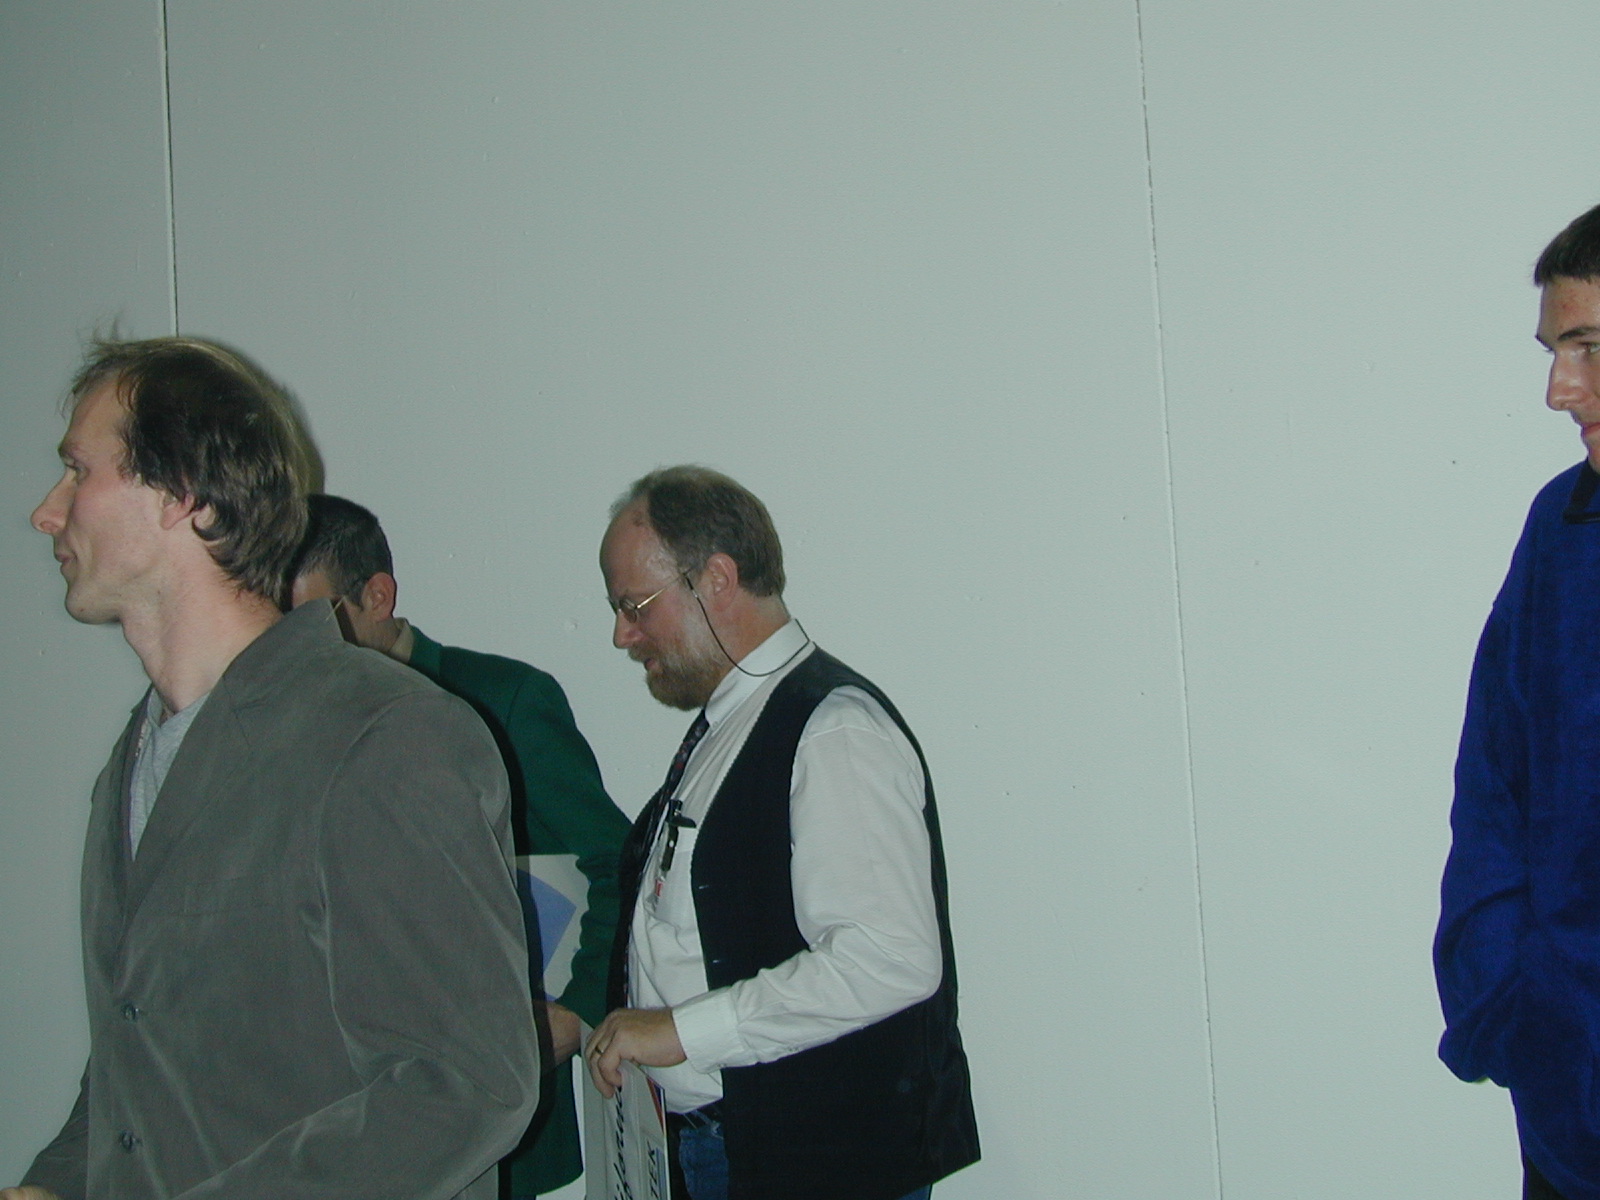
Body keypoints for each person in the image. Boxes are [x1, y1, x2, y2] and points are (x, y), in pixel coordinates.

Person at [7, 337, 538, 1200]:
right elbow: (139, 1058)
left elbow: (467, 1086)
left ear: (184, 494)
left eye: (77, 471)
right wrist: (57, 1185)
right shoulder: (130, 768)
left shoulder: (385, 735)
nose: (46, 512)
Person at [585, 465, 979, 1200]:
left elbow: (891, 959)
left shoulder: (832, 731)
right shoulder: (739, 720)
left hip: (817, 1164)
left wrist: (680, 1032)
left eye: (634, 605)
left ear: (717, 579)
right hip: (731, 1150)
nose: (621, 634)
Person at [289, 492, 631, 1197]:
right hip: (324, 1117)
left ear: (377, 597)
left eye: (312, 621)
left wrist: (573, 1014)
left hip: (482, 1115)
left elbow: (619, 866)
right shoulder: (282, 728)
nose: (293, 651)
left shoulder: (501, 701)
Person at [1436, 202, 1600, 1200]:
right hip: (1570, 1098)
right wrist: (1508, 992)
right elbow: (1492, 784)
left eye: (1589, 348)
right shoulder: (1561, 529)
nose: (1558, 390)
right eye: (1555, 352)